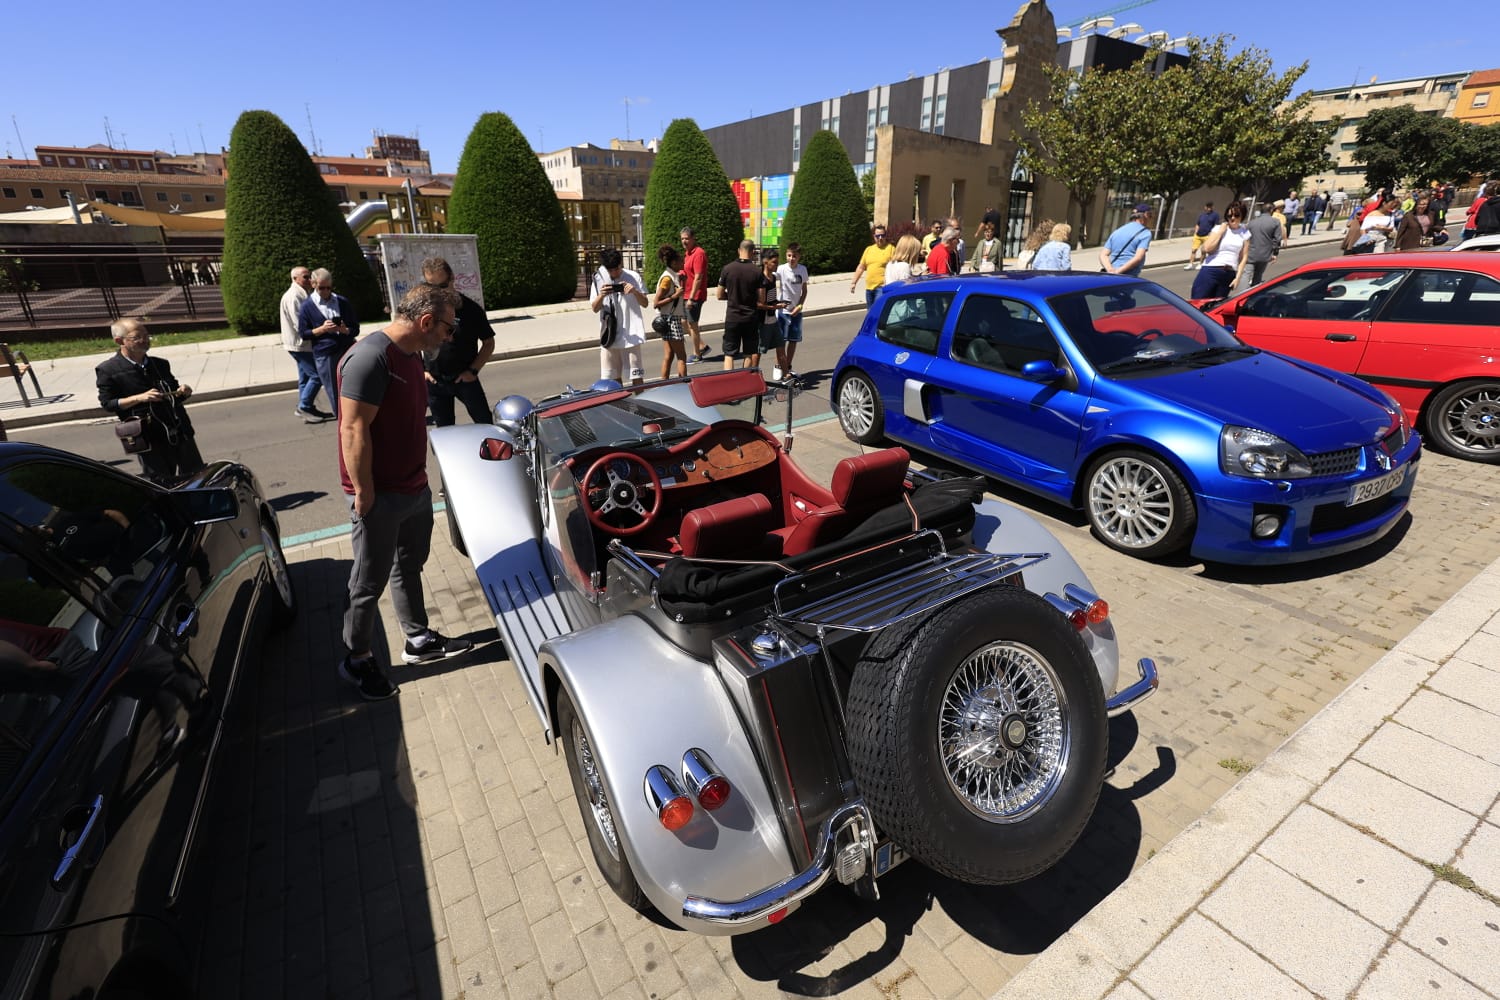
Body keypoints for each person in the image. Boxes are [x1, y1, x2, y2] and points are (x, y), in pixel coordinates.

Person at [336, 282, 472, 701]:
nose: (450, 337)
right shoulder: (370, 358)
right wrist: (364, 493)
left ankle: (417, 639)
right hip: (379, 495)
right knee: (367, 583)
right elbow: (352, 429)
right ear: (426, 321)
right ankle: (357, 658)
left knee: (408, 564)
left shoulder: (412, 356)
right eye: (449, 329)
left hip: (413, 487)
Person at [95, 317, 205, 486]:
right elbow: (108, 404)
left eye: (146, 335)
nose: (145, 340)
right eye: (137, 337)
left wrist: (183, 391)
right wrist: (139, 398)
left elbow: (174, 396)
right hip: (149, 438)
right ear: (119, 341)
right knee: (161, 485)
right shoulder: (108, 370)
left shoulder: (159, 364)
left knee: (196, 479)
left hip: (179, 432)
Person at [419, 257, 494, 425]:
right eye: (431, 287)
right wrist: (422, 370)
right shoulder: (425, 309)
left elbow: (489, 342)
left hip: (464, 379)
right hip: (435, 381)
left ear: (452, 278)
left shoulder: (471, 309)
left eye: (442, 286)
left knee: (485, 424)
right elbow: (414, 339)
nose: (438, 292)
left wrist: (473, 371)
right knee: (444, 432)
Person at [297, 268, 358, 420]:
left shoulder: (342, 302)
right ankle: (343, 422)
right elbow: (304, 333)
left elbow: (355, 329)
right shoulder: (307, 306)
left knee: (355, 386)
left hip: (346, 349)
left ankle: (359, 417)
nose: (325, 291)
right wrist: (322, 329)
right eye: (321, 288)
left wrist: (344, 330)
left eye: (328, 288)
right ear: (313, 284)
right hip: (326, 354)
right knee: (334, 391)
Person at [590, 248, 648, 387]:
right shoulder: (599, 279)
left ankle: (639, 401)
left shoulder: (633, 276)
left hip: (632, 335)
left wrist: (634, 291)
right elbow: (595, 308)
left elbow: (645, 303)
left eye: (617, 268)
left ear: (621, 263)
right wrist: (602, 295)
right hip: (610, 336)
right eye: (610, 270)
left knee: (637, 378)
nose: (614, 273)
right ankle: (621, 401)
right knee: (612, 381)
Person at [279, 265, 330, 423]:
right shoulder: (294, 296)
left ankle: (307, 407)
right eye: (305, 277)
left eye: (310, 276)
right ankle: (304, 406)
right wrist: (320, 330)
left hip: (302, 344)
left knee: (305, 377)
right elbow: (299, 324)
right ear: (295, 279)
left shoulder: (303, 293)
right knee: (317, 376)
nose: (309, 280)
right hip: (299, 344)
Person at [717, 239, 763, 370]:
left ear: (739, 250)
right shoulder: (757, 271)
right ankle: (744, 378)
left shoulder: (727, 269)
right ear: (753, 252)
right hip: (750, 318)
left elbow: (719, 294)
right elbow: (761, 298)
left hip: (732, 317)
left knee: (729, 353)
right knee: (749, 353)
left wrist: (731, 296)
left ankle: (728, 379)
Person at [1189, 202, 1250, 299]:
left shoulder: (1245, 233)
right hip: (1211, 270)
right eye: (1229, 215)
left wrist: (1238, 278)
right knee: (1198, 302)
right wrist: (1221, 232)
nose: (1232, 218)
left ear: (1242, 216)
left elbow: (1243, 258)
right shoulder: (1218, 228)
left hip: (1229, 273)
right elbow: (1206, 248)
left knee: (1217, 305)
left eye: (1236, 215)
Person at [652, 244, 688, 380]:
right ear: (673, 263)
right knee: (681, 356)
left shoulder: (672, 276)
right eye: (680, 261)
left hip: (667, 319)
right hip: (671, 320)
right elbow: (656, 303)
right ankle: (683, 384)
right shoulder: (667, 279)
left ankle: (664, 383)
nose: (682, 263)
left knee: (669, 355)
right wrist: (674, 296)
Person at [776, 243, 810, 377]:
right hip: (783, 312)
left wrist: (799, 306)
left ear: (799, 256)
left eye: (794, 256)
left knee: (793, 340)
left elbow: (804, 291)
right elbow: (770, 280)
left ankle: (788, 367)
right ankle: (779, 366)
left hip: (796, 311)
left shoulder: (802, 269)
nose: (791, 258)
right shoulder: (781, 269)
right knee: (781, 342)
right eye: (789, 255)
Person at [678, 227, 712, 362]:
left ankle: (697, 355)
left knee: (692, 324)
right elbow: (687, 271)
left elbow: (698, 277)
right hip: (686, 294)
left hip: (695, 295)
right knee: (683, 321)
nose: (684, 241)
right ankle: (702, 346)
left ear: (693, 238)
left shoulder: (699, 254)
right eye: (682, 239)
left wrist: (691, 298)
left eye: (686, 238)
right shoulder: (687, 253)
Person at [757, 249, 788, 378]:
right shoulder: (762, 279)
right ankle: (752, 376)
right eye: (774, 262)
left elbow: (772, 299)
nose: (776, 265)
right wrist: (776, 306)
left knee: (781, 346)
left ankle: (786, 375)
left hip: (773, 320)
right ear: (765, 262)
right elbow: (760, 304)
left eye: (777, 262)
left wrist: (780, 302)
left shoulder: (773, 277)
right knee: (758, 351)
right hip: (763, 322)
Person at [1098, 204, 1153, 276]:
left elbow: (1103, 254)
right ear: (1146, 215)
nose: (1151, 218)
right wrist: (1117, 272)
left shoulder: (1118, 231)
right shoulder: (1145, 233)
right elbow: (1138, 258)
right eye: (1150, 215)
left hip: (1110, 274)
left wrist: (1110, 270)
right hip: (1128, 275)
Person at [849, 225, 895, 304]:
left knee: (877, 309)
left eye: (883, 235)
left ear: (886, 236)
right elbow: (861, 267)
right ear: (874, 236)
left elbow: (895, 268)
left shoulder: (891, 249)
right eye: (878, 236)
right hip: (869, 288)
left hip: (882, 287)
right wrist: (854, 283)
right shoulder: (868, 249)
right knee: (870, 310)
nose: (880, 238)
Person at [1246, 203, 1284, 284]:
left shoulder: (1251, 223)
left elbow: (1246, 238)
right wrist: (1275, 253)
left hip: (1250, 254)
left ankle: (1243, 290)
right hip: (1265, 254)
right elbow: (1277, 239)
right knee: (1258, 275)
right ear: (1271, 210)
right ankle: (1255, 289)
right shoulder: (1275, 222)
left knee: (1246, 274)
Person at [1186, 203, 1221, 269]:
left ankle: (1200, 264)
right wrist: (1195, 233)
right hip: (1198, 235)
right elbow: (1198, 224)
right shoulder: (1202, 215)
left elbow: (1216, 225)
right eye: (1207, 207)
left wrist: (1211, 234)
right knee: (1193, 250)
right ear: (1205, 207)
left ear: (1212, 207)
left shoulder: (1215, 215)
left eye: (1210, 207)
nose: (1208, 208)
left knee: (1203, 251)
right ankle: (1190, 264)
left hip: (1206, 236)